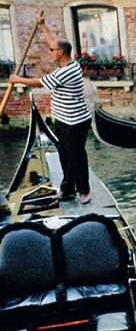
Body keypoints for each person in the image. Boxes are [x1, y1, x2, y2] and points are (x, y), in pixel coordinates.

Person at [10, 14, 92, 204]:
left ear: (61, 53)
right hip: (63, 118)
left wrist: (17, 79)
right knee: (64, 153)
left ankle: (84, 191)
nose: (50, 52)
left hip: (75, 121)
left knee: (77, 156)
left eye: (52, 50)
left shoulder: (67, 71)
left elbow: (39, 83)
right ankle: (67, 189)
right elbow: (54, 42)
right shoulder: (68, 63)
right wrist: (43, 26)